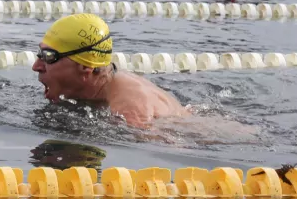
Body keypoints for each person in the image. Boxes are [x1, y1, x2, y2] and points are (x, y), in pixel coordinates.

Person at [32, 13, 188, 129]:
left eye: (48, 57)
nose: (36, 66)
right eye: (40, 53)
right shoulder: (108, 85)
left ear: (86, 68)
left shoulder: (130, 112)